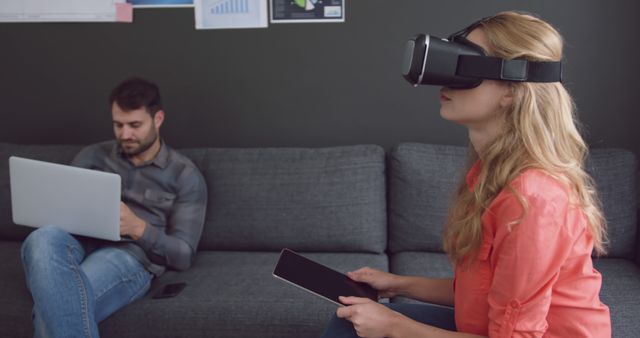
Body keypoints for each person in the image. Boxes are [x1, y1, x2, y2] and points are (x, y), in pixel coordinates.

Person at [322, 11, 611, 338]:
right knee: (348, 322)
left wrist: (394, 327)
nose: (445, 82)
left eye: (466, 67)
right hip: (486, 326)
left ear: (511, 91)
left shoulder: (532, 200)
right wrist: (397, 284)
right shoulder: (492, 175)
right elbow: (487, 293)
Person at [20, 77, 208, 338]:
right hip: (78, 242)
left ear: (158, 119)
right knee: (41, 237)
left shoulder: (184, 175)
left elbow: (184, 255)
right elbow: (62, 207)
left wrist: (138, 228)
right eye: (118, 125)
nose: (125, 134)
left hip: (128, 254)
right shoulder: (92, 156)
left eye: (135, 125)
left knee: (52, 307)